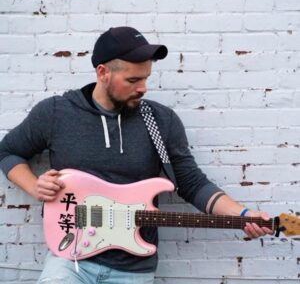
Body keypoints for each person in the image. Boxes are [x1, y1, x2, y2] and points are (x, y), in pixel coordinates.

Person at [0, 26, 273, 284]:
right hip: (69, 260)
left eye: (145, 78)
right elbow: (8, 151)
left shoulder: (161, 121)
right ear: (103, 72)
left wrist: (243, 214)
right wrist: (35, 186)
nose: (143, 87)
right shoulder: (57, 113)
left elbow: (193, 184)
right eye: (133, 79)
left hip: (133, 269)